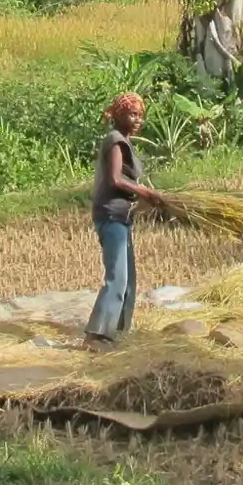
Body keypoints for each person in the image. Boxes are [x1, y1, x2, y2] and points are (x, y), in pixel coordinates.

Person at [86, 91, 159, 346]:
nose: (137, 120)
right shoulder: (115, 140)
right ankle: (97, 335)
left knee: (129, 280)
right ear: (119, 115)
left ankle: (118, 332)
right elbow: (116, 179)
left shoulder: (125, 142)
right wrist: (146, 192)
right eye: (132, 114)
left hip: (123, 216)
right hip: (111, 215)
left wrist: (144, 201)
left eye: (140, 115)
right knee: (117, 277)